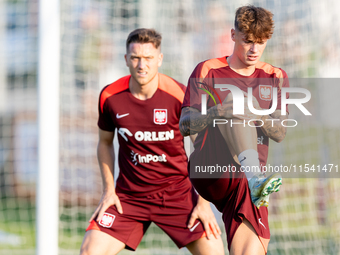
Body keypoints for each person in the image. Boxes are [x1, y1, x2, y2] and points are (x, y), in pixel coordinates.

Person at [79, 28, 224, 255]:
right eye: (135, 58)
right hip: (129, 197)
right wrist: (108, 190)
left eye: (148, 58)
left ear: (159, 59)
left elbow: (205, 148)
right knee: (89, 251)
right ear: (126, 59)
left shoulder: (181, 96)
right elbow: (104, 142)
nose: (141, 65)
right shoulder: (110, 97)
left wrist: (204, 203)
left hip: (178, 194)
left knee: (215, 252)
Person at [179, 5, 289, 255]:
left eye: (261, 42)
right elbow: (184, 124)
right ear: (233, 35)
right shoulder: (208, 70)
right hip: (211, 167)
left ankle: (255, 181)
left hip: (246, 182)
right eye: (248, 41)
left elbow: (280, 133)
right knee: (236, 105)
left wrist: (256, 113)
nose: (254, 50)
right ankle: (256, 180)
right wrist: (219, 111)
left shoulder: (275, 76)